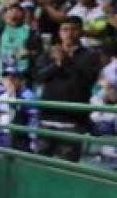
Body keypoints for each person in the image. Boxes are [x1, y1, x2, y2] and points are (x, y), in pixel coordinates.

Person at [35, 17, 101, 162]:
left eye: (74, 29)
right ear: (59, 33)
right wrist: (57, 64)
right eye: (65, 30)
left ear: (81, 32)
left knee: (67, 166)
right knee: (40, 163)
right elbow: (39, 76)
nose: (69, 34)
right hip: (47, 117)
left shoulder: (91, 55)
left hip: (73, 121)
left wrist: (67, 61)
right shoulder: (49, 53)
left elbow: (86, 81)